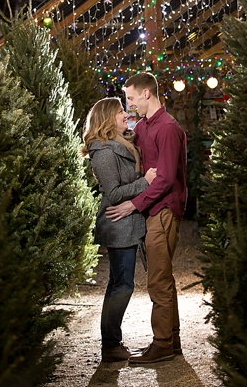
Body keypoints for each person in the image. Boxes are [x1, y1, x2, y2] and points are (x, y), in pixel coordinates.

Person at [105, 72, 188, 364]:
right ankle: (172, 340)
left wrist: (132, 205)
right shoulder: (143, 126)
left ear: (146, 94)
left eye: (130, 98)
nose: (129, 106)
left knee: (158, 280)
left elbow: (164, 180)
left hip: (163, 210)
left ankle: (163, 343)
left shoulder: (167, 128)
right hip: (151, 210)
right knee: (163, 277)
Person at [81, 98, 157, 363]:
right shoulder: (102, 151)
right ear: (107, 117)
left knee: (117, 283)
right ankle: (111, 345)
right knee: (122, 285)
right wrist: (144, 183)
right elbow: (113, 194)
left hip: (128, 222)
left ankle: (111, 343)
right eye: (120, 111)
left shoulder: (121, 142)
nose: (126, 114)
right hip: (118, 224)